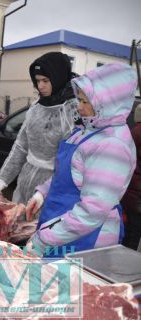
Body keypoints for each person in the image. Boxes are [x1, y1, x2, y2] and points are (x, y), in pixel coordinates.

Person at [25, 62, 138, 258]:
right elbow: (66, 175)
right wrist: (42, 194)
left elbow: (92, 211)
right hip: (62, 228)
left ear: (108, 103)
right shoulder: (88, 130)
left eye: (86, 102)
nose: (79, 106)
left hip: (84, 240)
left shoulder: (112, 146)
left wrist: (45, 239)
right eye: (79, 99)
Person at [0, 52, 76, 204]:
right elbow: (21, 147)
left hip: (53, 192)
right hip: (25, 183)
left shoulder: (73, 111)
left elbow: (73, 163)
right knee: (19, 225)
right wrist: (2, 180)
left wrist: (44, 193)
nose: (40, 86)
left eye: (45, 80)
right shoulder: (36, 108)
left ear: (58, 77)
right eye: (37, 81)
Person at [121, 104, 141, 250]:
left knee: (130, 231)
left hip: (131, 190)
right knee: (135, 233)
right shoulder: (138, 132)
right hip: (137, 193)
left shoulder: (134, 131)